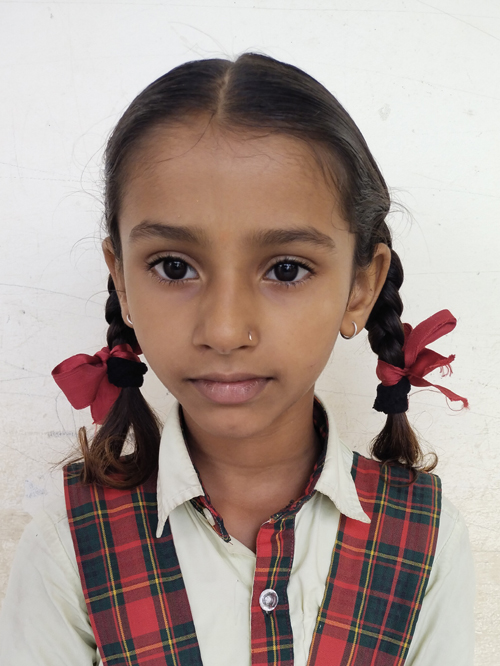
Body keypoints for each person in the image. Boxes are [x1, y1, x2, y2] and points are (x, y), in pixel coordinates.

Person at [0, 53, 474, 666]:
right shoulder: (69, 544)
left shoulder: (426, 541)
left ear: (361, 287)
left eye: (286, 270)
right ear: (121, 280)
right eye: (175, 267)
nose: (224, 331)